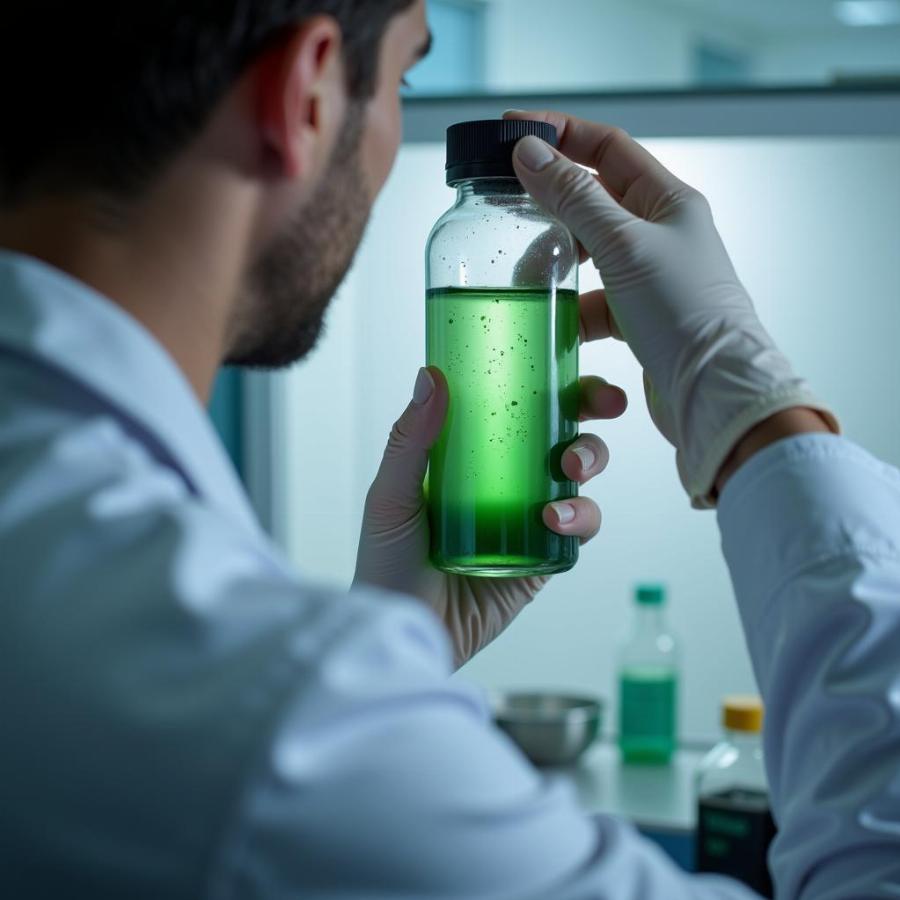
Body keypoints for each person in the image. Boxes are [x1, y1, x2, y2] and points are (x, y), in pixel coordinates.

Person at [0, 0, 897, 897]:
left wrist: (399, 641)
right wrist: (753, 416)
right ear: (306, 93)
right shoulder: (281, 727)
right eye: (405, 78)